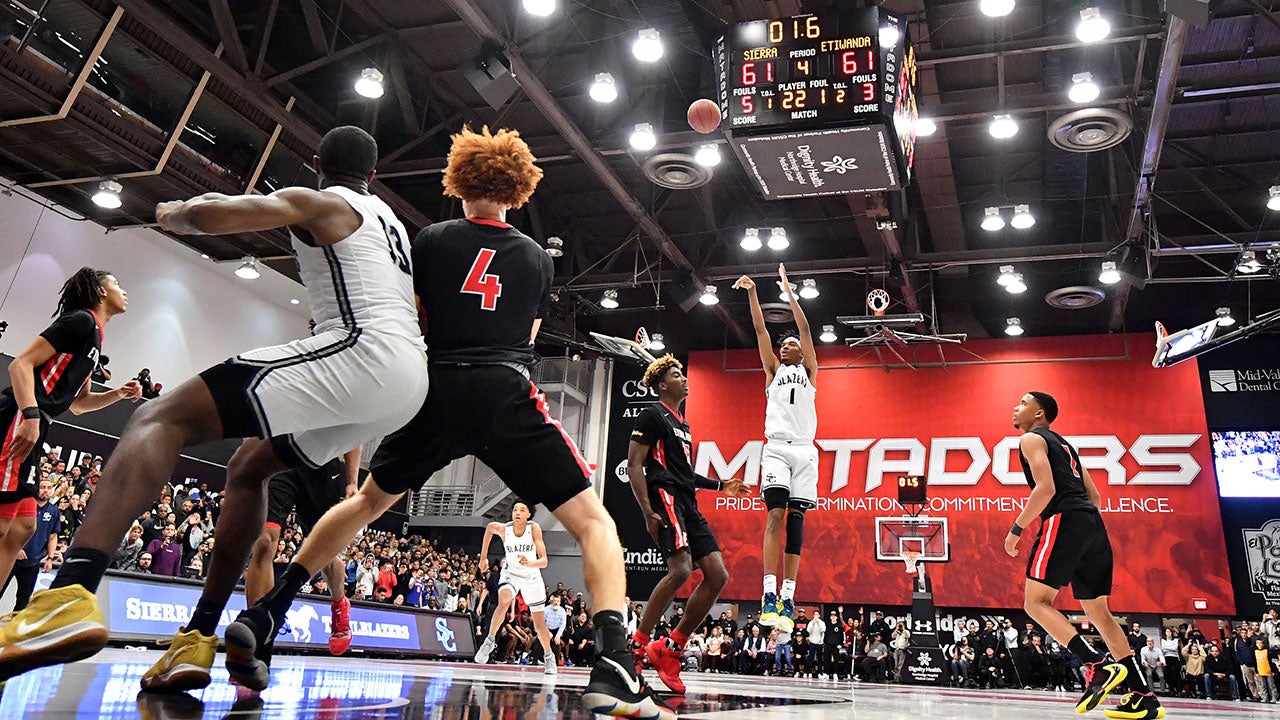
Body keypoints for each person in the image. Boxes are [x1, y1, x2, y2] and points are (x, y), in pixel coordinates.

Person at [218, 126, 671, 719]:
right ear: (517, 189)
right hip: (503, 388)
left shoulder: (429, 241)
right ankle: (614, 663)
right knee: (593, 522)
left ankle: (267, 610)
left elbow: (412, 315)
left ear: (459, 182)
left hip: (435, 386)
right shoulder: (537, 259)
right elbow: (528, 337)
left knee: (366, 504)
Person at [0, 126, 430, 687]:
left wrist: (177, 212)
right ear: (372, 175)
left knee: (157, 417)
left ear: (317, 163)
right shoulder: (392, 224)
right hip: (408, 383)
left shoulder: (325, 201)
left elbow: (223, 214)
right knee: (249, 466)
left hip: (361, 349)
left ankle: (69, 595)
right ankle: (197, 639)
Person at [1004, 391, 1164, 719]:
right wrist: (1081, 525)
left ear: (1039, 413)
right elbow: (1096, 497)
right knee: (1100, 613)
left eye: (1022, 403)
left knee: (1035, 603)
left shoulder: (1031, 439)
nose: (1015, 408)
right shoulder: (1066, 446)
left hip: (1064, 517)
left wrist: (1017, 528)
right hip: (1092, 523)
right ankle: (1143, 696)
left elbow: (1046, 489)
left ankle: (1095, 663)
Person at [0, 269, 141, 601]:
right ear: (100, 291)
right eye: (117, 284)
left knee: (23, 527)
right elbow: (20, 364)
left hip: (38, 421)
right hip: (20, 416)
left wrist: (117, 394)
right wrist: (30, 415)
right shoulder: (80, 321)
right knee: (2, 525)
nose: (124, 291)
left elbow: (79, 404)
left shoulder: (96, 338)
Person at [627, 354, 749, 694]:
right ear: (662, 385)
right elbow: (634, 464)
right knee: (680, 570)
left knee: (718, 575)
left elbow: (685, 473)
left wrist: (721, 485)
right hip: (664, 496)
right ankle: (635, 647)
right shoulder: (652, 415)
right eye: (677, 374)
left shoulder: (683, 423)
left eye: (682, 373)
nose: (684, 378)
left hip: (687, 501)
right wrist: (647, 511)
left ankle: (671, 648)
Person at [733, 266, 817, 634]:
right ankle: (769, 593)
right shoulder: (773, 370)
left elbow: (805, 329)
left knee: (796, 523)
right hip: (778, 450)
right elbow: (759, 330)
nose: (786, 346)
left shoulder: (809, 371)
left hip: (806, 452)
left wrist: (787, 291)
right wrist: (753, 293)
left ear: (801, 351)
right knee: (775, 516)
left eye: (791, 344)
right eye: (783, 345)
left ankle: (788, 596)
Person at [246, 449, 360, 656]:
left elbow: (355, 436)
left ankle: (339, 604)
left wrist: (352, 481)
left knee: (326, 554)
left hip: (322, 466)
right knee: (264, 541)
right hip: (283, 458)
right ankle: (257, 633)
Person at [474, 501, 557, 675]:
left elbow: (544, 561)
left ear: (528, 515)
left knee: (539, 625)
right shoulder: (505, 529)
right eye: (515, 510)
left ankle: (549, 656)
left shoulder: (533, 528)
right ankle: (489, 641)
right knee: (503, 601)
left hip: (531, 576)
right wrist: (483, 557)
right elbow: (489, 528)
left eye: (522, 510)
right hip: (511, 573)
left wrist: (530, 563)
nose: (517, 512)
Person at [1, 479, 59, 610]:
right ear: (36, 488)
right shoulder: (23, 504)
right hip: (11, 557)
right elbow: (7, 528)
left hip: (32, 562)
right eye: (43, 487)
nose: (46, 490)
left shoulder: (54, 511)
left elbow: (53, 536)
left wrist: (50, 558)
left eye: (49, 488)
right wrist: (16, 548)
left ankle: (16, 623)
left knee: (24, 598)